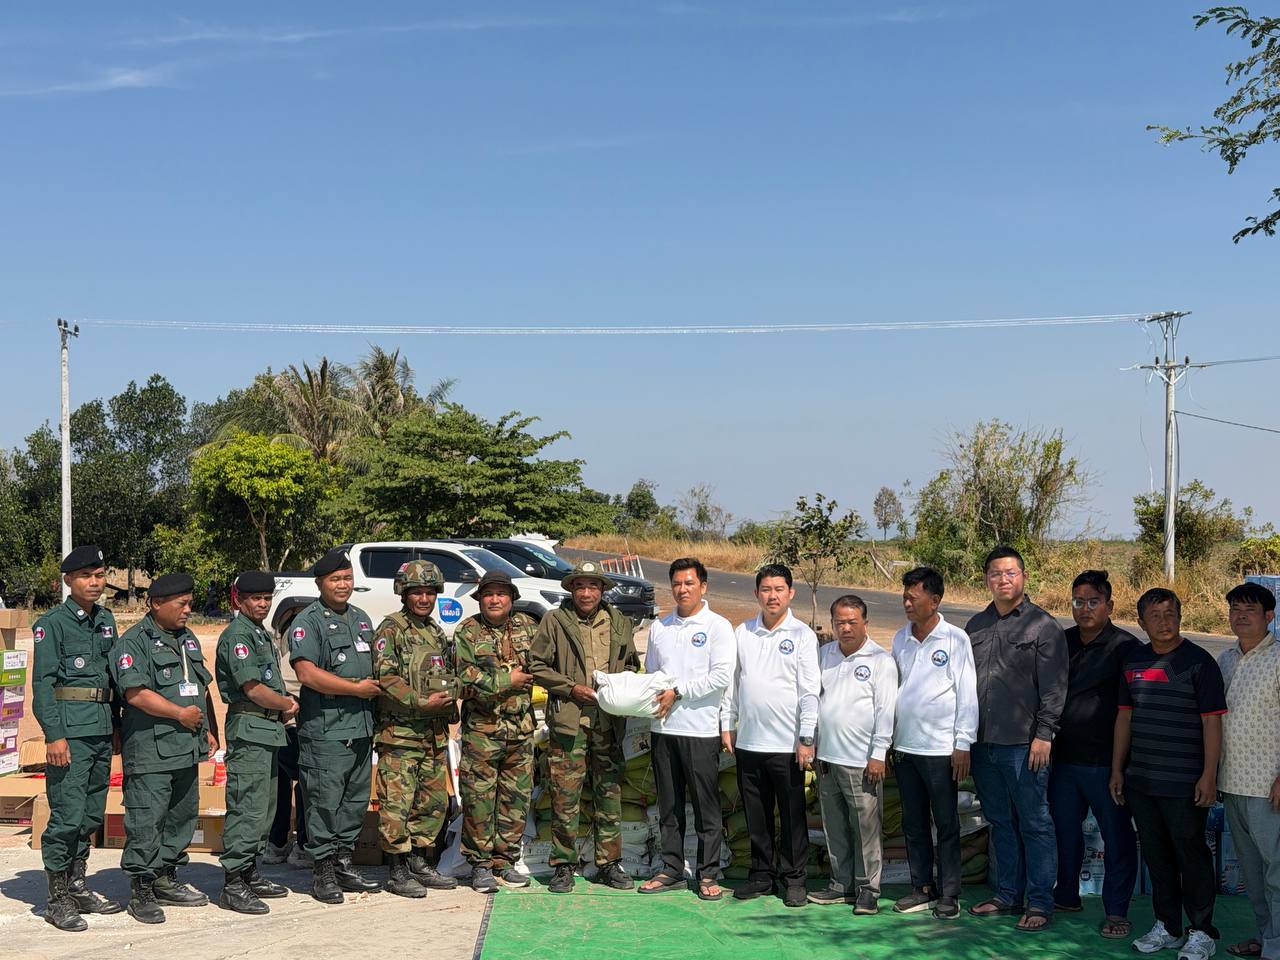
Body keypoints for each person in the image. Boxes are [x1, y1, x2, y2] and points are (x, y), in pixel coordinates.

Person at [1111, 587, 1226, 960]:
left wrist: (1209, 775)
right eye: (1155, 615)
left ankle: (1202, 931)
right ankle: (1168, 927)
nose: (1164, 621)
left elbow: (1212, 723)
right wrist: (1117, 769)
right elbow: (1124, 717)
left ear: (1180, 616)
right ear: (1141, 622)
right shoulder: (1133, 661)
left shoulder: (1199, 662)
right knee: (1157, 856)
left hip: (1185, 782)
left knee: (1191, 855)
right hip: (1142, 780)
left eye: (1170, 613)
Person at [965, 545, 1067, 932]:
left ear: (1023, 577)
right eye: (996, 573)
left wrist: (1044, 734)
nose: (1003, 580)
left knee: (1035, 823)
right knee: (999, 822)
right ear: (986, 579)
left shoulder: (1043, 626)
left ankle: (1039, 902)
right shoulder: (976, 625)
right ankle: (1007, 894)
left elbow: (1055, 688)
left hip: (1025, 745)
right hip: (983, 744)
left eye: (1011, 573)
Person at [111, 572, 220, 924]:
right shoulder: (134, 642)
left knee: (181, 817)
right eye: (182, 604)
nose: (188, 610)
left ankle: (165, 878)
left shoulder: (187, 639)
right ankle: (141, 888)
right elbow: (135, 694)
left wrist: (209, 729)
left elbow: (201, 688)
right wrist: (179, 714)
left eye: (190, 603)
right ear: (157, 603)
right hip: (151, 751)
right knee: (147, 819)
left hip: (186, 747)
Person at [528, 560, 641, 894]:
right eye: (580, 586)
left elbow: (632, 664)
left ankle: (608, 864)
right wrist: (570, 687)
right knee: (565, 796)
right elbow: (536, 665)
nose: (587, 593)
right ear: (572, 589)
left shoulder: (619, 623)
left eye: (593, 586)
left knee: (609, 793)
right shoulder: (555, 621)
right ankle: (564, 865)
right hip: (570, 721)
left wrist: (621, 687)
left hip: (608, 722)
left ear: (602, 590)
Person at [31, 545, 122, 931]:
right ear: (68, 580)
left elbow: (113, 678)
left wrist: (116, 725)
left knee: (89, 815)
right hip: (70, 734)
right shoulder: (51, 623)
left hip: (100, 730)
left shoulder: (106, 620)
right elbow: (43, 684)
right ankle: (56, 899)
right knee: (67, 815)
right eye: (86, 576)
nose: (94, 582)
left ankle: (77, 884)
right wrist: (54, 736)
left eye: (99, 575)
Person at [721, 563, 820, 908]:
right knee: (757, 816)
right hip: (749, 742)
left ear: (791, 593)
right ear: (756, 594)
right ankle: (761, 875)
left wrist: (806, 738)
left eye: (779, 589)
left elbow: (810, 692)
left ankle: (794, 879)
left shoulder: (802, 635)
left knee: (792, 816)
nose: (772, 596)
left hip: (787, 746)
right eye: (766, 589)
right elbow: (733, 684)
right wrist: (727, 723)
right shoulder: (743, 632)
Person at [1049, 570, 1140, 939]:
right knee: (1064, 833)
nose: (1084, 609)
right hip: (1064, 761)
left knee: (1116, 839)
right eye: (1078, 602)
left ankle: (1116, 911)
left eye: (1093, 601)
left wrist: (1119, 766)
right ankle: (1066, 895)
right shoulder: (1062, 642)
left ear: (1109, 606)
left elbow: (1129, 712)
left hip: (1106, 764)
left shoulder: (1126, 648)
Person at [289, 547, 382, 904]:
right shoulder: (308, 621)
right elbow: (306, 673)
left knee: (354, 801)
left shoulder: (361, 618)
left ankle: (344, 863)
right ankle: (323, 871)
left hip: (360, 728)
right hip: (326, 730)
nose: (343, 585)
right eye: (335, 579)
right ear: (320, 583)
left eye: (347, 578)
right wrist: (356, 689)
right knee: (324, 802)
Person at [639, 557, 736, 901]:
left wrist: (678, 691)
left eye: (689, 583)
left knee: (706, 808)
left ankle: (708, 873)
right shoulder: (660, 627)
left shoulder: (718, 627)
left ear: (703, 586)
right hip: (664, 729)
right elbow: (652, 673)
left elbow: (721, 676)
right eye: (677, 583)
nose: (682, 589)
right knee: (669, 806)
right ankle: (671, 869)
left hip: (700, 730)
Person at [889, 566, 977, 920]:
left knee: (946, 823)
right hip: (905, 747)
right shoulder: (900, 638)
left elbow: (966, 693)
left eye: (914, 597)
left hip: (940, 749)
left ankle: (949, 893)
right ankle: (922, 887)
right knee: (913, 823)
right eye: (905, 597)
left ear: (935, 600)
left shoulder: (955, 639)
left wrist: (963, 743)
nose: (907, 603)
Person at [372, 560, 461, 898]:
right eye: (417, 592)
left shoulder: (435, 632)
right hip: (400, 734)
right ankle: (396, 869)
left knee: (431, 802)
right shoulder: (391, 629)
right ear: (403, 593)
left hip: (432, 734)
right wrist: (420, 702)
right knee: (397, 804)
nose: (424, 599)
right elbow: (385, 678)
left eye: (430, 593)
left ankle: (419, 862)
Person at [214, 571, 298, 914]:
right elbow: (253, 688)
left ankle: (249, 870)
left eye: (267, 598)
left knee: (264, 808)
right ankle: (233, 882)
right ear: (239, 600)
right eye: (255, 599)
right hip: (250, 728)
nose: (262, 604)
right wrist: (286, 704)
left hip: (266, 729)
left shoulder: (258, 633)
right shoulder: (238, 636)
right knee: (247, 806)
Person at [808, 595, 896, 916]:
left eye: (852, 622)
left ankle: (868, 890)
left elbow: (885, 711)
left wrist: (879, 753)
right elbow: (813, 701)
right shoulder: (824, 655)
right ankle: (840, 884)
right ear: (832, 624)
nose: (845, 628)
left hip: (862, 761)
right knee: (835, 826)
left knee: (866, 829)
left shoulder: (880, 660)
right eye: (840, 622)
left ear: (865, 624)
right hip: (827, 758)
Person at [455, 571, 538, 892]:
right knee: (479, 800)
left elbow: (542, 666)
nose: (495, 599)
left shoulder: (528, 628)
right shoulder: (467, 631)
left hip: (521, 730)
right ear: (480, 599)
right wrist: (508, 681)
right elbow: (464, 679)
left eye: (501, 593)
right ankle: (480, 865)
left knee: (515, 799)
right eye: (488, 594)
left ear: (511, 598)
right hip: (482, 732)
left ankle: (505, 861)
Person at [1216, 582, 1280, 960]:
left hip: (1268, 786)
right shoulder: (1225, 659)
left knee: (1277, 871)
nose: (1240, 616)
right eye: (1235, 609)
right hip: (1232, 782)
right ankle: (1266, 937)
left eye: (1249, 610)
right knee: (1253, 873)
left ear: (1269, 616)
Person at [263, 623, 310, 868]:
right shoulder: (305, 655)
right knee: (307, 778)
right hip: (294, 729)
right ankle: (303, 845)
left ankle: (277, 842)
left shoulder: (286, 654)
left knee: (281, 777)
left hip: (279, 729)